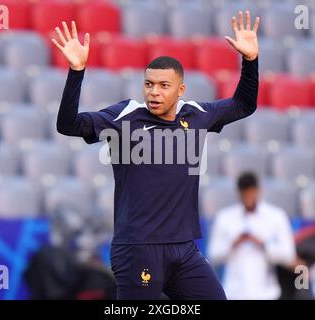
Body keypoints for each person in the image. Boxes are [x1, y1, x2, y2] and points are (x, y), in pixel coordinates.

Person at [52, 11, 260, 300]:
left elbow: (244, 105)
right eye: (149, 84)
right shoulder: (125, 116)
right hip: (138, 248)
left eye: (164, 86)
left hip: (184, 249)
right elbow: (68, 125)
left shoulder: (196, 114)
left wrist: (250, 62)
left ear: (180, 90)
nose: (154, 92)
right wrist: (77, 72)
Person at [207, 172, 296, 300]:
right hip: (234, 293)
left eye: (251, 193)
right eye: (244, 194)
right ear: (238, 193)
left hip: (267, 294)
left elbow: (289, 255)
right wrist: (233, 244)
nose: (248, 198)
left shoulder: (276, 216)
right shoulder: (224, 218)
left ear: (258, 191)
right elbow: (212, 255)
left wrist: (263, 244)